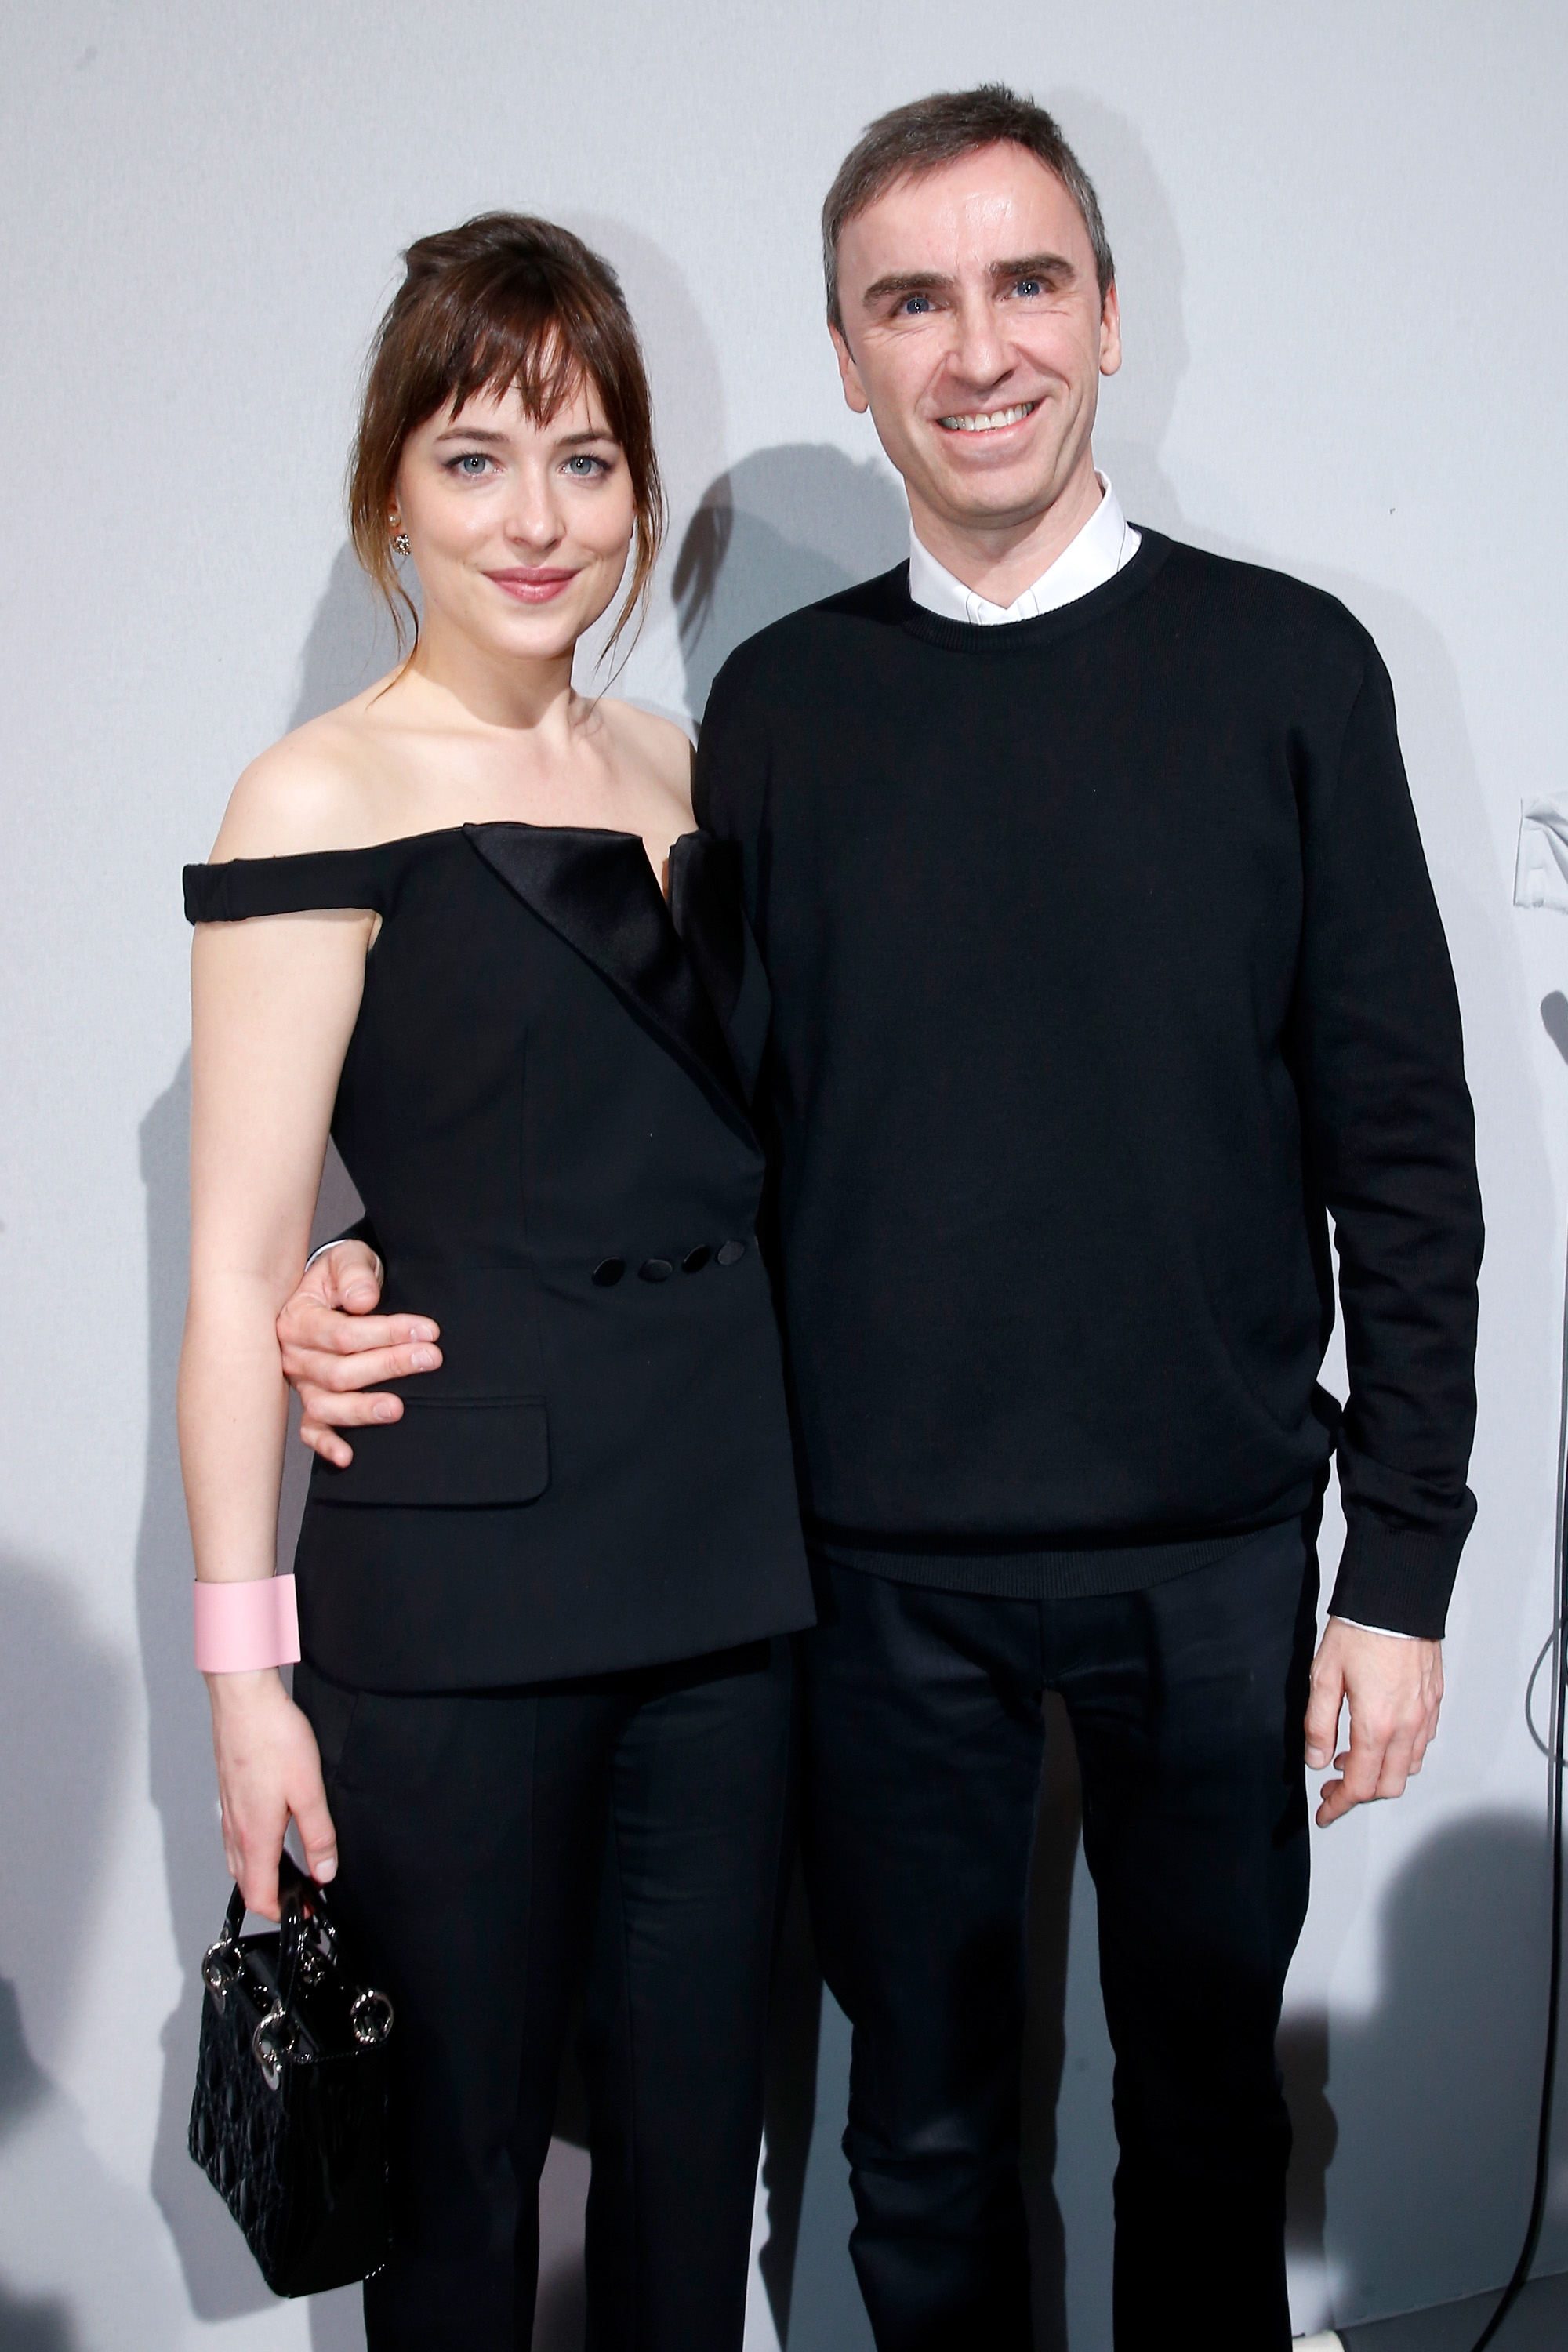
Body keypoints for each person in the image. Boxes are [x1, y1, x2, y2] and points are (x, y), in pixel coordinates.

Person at [279, 89, 1483, 2352]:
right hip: (868, 1578)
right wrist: (361, 1256)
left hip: (1218, 1558)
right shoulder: (782, 716)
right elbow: (679, 1130)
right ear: (848, 357)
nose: (977, 346)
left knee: (1210, 2124)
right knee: (914, 2150)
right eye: (910, 302)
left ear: (1108, 316)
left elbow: (1403, 1144)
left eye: (1027, 283)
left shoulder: (1292, 671)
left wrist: (1400, 1565)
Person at [177, 212, 813, 2352]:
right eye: (475, 458)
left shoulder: (685, 772)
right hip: (456, 1603)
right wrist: (245, 1683)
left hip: (726, 1574)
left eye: (584, 460)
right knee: (450, 2200)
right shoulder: (318, 791)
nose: (536, 519)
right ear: (391, 493)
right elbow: (238, 1270)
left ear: (636, 489)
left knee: (691, 2169)